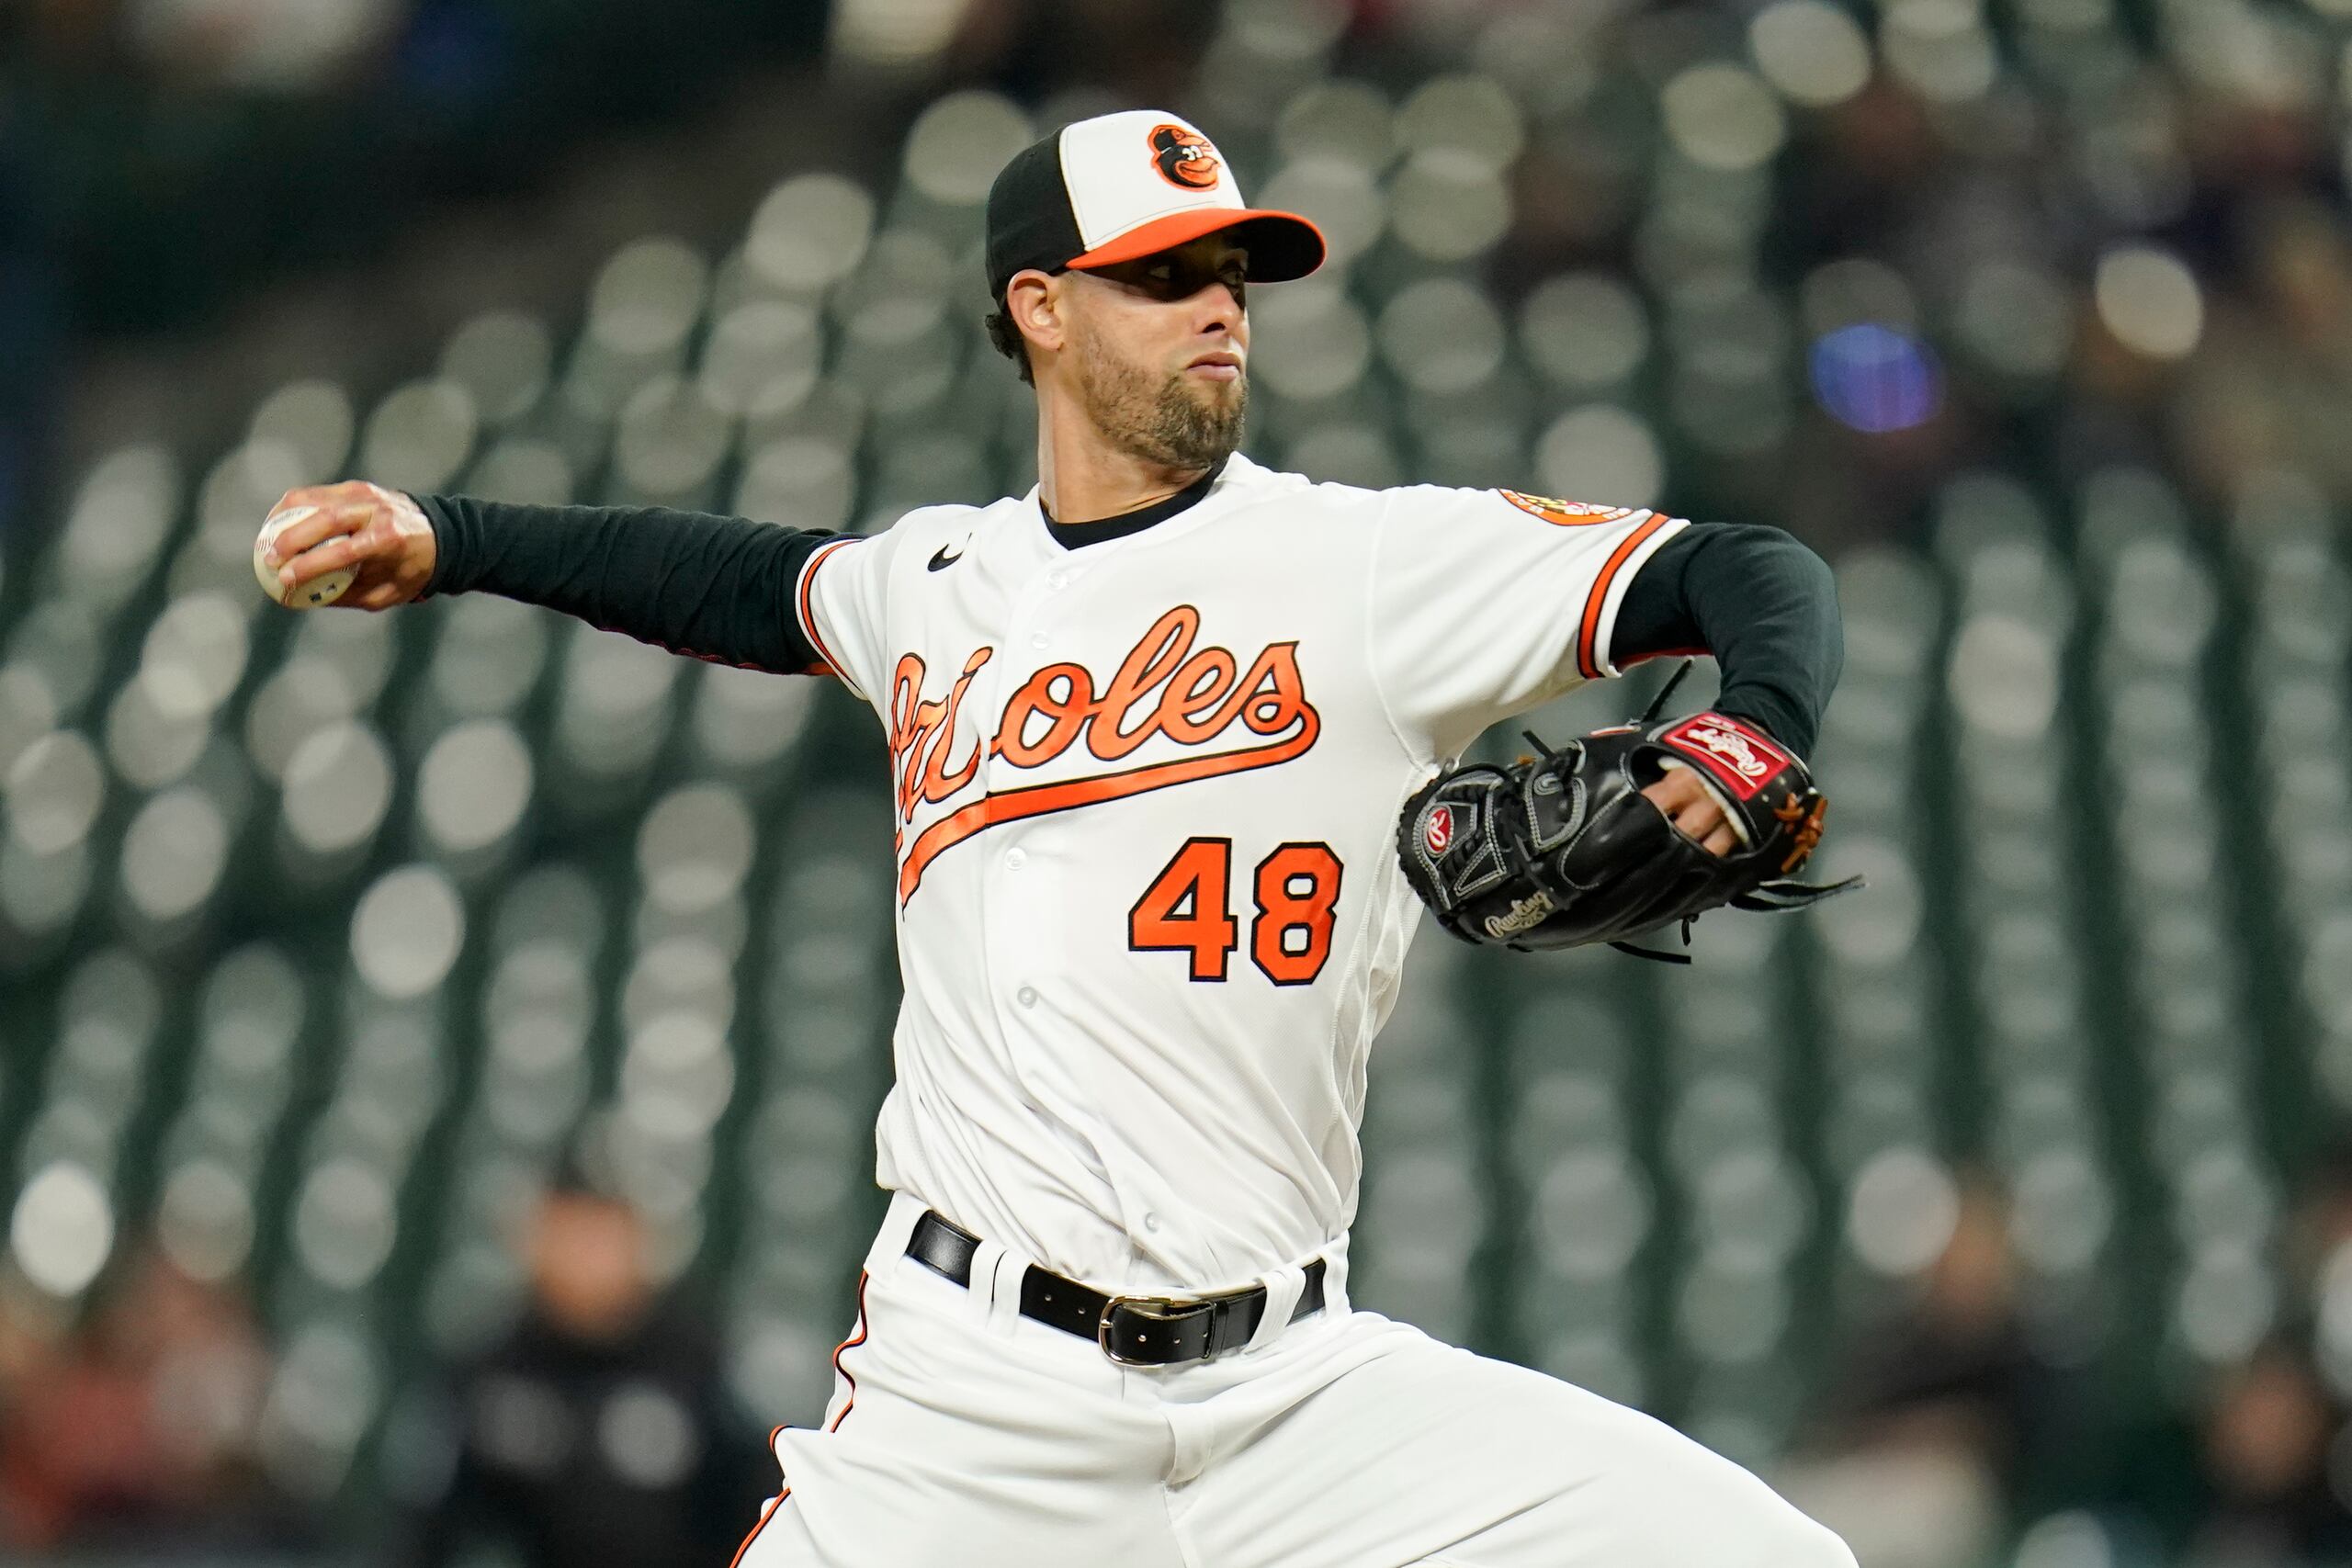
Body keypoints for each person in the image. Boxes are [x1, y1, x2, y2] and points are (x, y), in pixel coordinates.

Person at [260, 109, 1849, 1568]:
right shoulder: (931, 584)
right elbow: (730, 575)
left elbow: (1748, 566)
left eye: (1234, 272)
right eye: (1165, 276)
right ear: (1040, 308)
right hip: (972, 1407)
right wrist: (451, 537)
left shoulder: (1366, 565)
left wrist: (1761, 721)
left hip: (1298, 1393)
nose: (1221, 307)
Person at [390, 1165, 769, 1568]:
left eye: (601, 1239)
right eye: (568, 1236)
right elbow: (429, 1523)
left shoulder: (695, 1365)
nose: (585, 1259)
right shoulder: (492, 1369)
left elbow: (753, 1508)